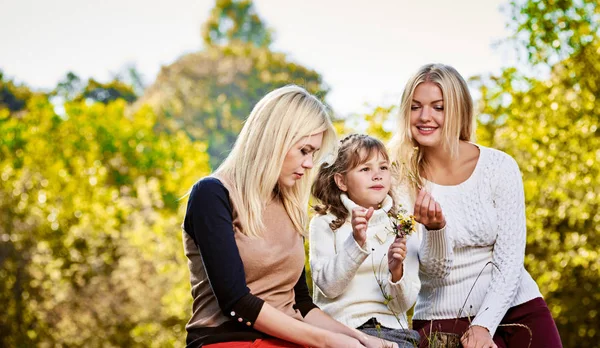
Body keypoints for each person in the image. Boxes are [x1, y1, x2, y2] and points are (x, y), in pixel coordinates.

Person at [182, 85, 398, 348]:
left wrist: (361, 339)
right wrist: (330, 342)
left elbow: (302, 305)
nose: (309, 164)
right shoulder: (213, 194)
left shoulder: (290, 203)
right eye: (304, 150)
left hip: (292, 340)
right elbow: (235, 300)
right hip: (229, 340)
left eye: (314, 154)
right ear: (276, 139)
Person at [388, 63, 562, 348]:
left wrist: (483, 325)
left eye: (438, 107)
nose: (425, 117)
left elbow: (510, 260)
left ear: (458, 111)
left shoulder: (498, 166)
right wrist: (434, 229)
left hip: (518, 308)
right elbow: (430, 271)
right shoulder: (398, 177)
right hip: (441, 321)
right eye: (415, 107)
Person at [309, 133, 422, 347]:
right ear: (341, 181)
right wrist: (356, 243)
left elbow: (402, 306)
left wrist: (396, 271)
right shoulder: (325, 223)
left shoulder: (401, 225)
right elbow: (328, 287)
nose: (377, 175)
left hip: (391, 333)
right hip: (340, 329)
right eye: (365, 169)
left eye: (383, 167)